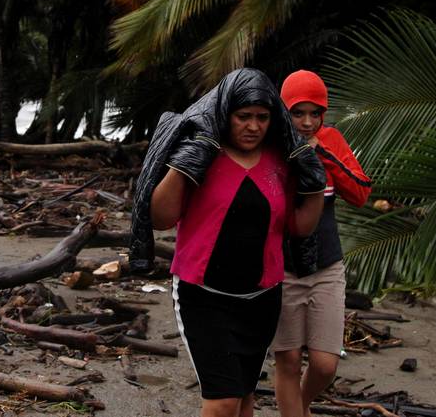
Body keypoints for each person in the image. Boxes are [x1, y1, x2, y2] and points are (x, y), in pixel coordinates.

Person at [129, 68, 326, 417]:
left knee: (245, 400)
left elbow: (299, 227)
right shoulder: (204, 153)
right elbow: (160, 219)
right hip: (203, 297)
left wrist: (315, 186)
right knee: (222, 404)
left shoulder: (280, 161)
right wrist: (184, 162)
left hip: (262, 299)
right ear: (225, 114)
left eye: (262, 117)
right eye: (243, 116)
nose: (253, 126)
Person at [272, 70, 372, 417]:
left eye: (315, 113)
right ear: (284, 111)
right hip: (282, 269)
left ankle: (301, 406)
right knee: (287, 360)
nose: (307, 121)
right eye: (298, 112)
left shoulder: (332, 139)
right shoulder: (271, 146)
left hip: (327, 266)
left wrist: (323, 155)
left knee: (325, 364)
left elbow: (360, 193)